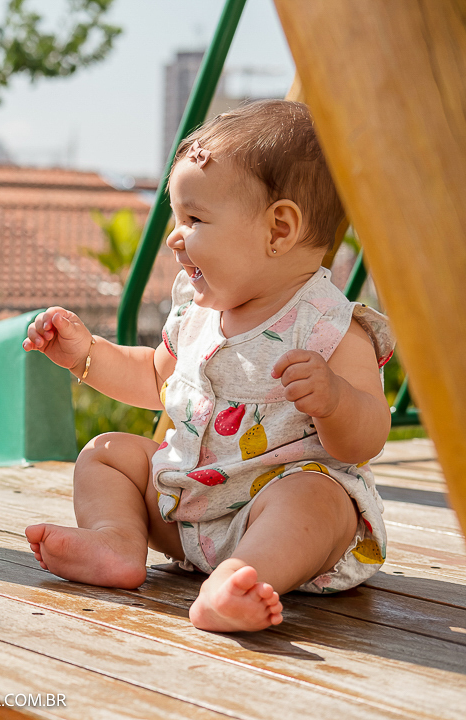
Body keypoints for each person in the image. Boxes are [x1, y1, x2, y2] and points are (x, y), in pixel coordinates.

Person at [22, 100, 394, 633]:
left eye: (194, 219)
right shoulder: (197, 312)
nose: (175, 236)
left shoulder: (329, 328)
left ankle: (240, 579)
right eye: (177, 217)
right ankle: (118, 543)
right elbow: (154, 377)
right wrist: (86, 355)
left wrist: (336, 399)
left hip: (274, 521)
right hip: (185, 507)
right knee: (107, 454)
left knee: (319, 496)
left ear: (278, 229)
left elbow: (367, 439)